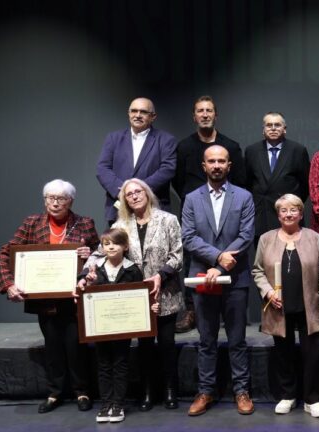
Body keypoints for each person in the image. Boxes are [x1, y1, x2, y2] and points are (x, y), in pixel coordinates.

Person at [0, 179, 98, 414]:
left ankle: (82, 391)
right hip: (45, 299)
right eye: (50, 198)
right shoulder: (32, 223)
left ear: (70, 201)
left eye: (60, 198)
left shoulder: (84, 223)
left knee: (76, 346)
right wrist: (8, 284)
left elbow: (100, 252)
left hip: (73, 298)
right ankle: (55, 393)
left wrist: (90, 253)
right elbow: (6, 252)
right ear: (45, 200)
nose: (54, 203)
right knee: (52, 347)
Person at [84, 179, 184, 410]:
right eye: (129, 194)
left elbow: (177, 256)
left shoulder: (168, 220)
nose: (135, 196)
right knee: (145, 346)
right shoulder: (121, 224)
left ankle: (170, 391)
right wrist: (84, 273)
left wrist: (160, 275)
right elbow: (99, 253)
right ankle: (147, 392)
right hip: (135, 297)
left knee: (167, 345)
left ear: (147, 194)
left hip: (165, 292)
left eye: (138, 192)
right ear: (125, 200)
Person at [182, 145, 256, 416]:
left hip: (235, 278)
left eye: (221, 161)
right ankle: (205, 391)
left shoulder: (244, 196)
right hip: (203, 278)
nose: (216, 165)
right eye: (211, 161)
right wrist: (217, 259)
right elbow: (188, 237)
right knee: (206, 340)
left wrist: (221, 265)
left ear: (229, 165)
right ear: (204, 166)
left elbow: (246, 235)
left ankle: (241, 391)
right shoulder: (191, 199)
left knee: (237, 340)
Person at [173, 96, 245, 334]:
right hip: (196, 209)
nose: (205, 114)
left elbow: (240, 180)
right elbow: (178, 181)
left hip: (227, 210)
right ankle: (193, 310)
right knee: (192, 258)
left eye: (209, 111)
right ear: (194, 117)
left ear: (216, 115)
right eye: (200, 111)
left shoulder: (231, 146)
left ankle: (231, 310)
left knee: (230, 256)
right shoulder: (184, 147)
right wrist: (196, 200)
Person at [252, 194, 319, 418]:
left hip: (309, 305)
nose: (288, 214)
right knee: (283, 353)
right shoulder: (266, 239)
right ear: (278, 215)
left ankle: (312, 399)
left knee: (312, 354)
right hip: (278, 306)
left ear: (301, 214)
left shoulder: (313, 237)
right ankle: (288, 396)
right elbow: (257, 270)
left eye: (293, 209)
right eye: (283, 210)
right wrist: (268, 292)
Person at [76, 228, 146, 424]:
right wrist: (90, 284)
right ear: (102, 247)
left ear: (125, 246)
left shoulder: (133, 270)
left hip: (123, 326)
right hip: (102, 326)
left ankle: (118, 404)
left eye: (116, 243)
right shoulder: (95, 269)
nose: (111, 247)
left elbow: (139, 297)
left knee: (120, 364)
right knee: (104, 365)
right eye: (106, 244)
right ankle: (106, 404)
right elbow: (88, 296)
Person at [96, 97, 176, 225]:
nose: (137, 115)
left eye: (143, 112)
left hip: (153, 209)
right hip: (119, 208)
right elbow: (102, 169)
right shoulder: (114, 138)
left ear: (153, 116)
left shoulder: (166, 140)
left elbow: (168, 169)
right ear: (129, 114)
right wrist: (123, 192)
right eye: (134, 111)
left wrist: (139, 191)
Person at [245, 112, 311, 247]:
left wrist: (290, 204)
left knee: (291, 257)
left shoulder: (298, 150)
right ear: (263, 130)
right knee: (264, 257)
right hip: (261, 216)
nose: (273, 128)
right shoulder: (252, 151)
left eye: (277, 125)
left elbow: (305, 185)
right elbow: (247, 183)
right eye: (269, 125)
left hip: (289, 216)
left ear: (284, 129)